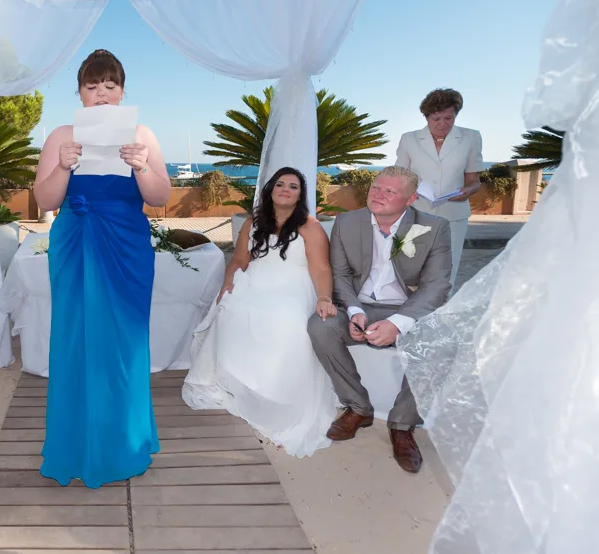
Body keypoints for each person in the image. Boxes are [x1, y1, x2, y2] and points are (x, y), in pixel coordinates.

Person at [33, 49, 171, 488]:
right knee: (76, 340)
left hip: (127, 246)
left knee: (125, 342)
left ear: (123, 90)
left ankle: (124, 441)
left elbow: (161, 196)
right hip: (75, 243)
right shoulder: (60, 134)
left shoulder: (143, 133)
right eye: (92, 86)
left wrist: (142, 165)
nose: (102, 94)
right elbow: (46, 201)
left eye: (109, 85)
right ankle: (77, 443)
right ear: (79, 92)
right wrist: (61, 165)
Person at [183, 168, 340, 457]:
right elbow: (240, 259)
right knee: (231, 311)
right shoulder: (254, 222)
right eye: (280, 184)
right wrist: (227, 284)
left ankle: (276, 400)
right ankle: (238, 383)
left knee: (285, 323)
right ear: (270, 189)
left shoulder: (310, 226)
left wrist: (324, 297)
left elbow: (321, 268)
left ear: (300, 195)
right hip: (255, 282)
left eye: (293, 186)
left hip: (291, 287)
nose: (285, 189)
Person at [307, 166, 452, 473]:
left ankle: (402, 425)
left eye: (390, 191)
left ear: (411, 198)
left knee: (440, 339)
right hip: (360, 305)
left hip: (407, 308)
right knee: (320, 326)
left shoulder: (435, 227)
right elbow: (341, 275)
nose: (378, 195)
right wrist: (355, 311)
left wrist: (398, 323)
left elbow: (437, 286)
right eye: (376, 187)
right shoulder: (346, 222)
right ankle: (358, 407)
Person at [394, 88, 484, 285]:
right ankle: (412, 313)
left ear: (456, 115)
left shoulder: (471, 138)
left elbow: (474, 180)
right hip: (416, 212)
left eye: (448, 118)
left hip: (454, 215)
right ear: (426, 117)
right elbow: (399, 175)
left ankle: (439, 314)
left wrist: (468, 191)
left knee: (446, 270)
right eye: (436, 119)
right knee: (413, 267)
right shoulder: (409, 139)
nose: (443, 124)